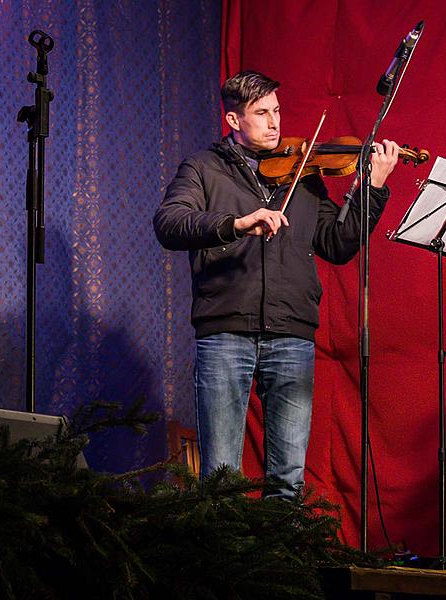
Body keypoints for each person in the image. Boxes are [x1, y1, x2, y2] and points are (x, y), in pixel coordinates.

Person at [153, 71, 400, 499]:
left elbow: (337, 244)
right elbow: (169, 223)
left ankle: (281, 566)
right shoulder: (204, 168)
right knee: (222, 477)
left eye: (277, 111)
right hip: (225, 331)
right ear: (233, 120)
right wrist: (236, 224)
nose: (275, 123)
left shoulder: (303, 173)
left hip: (292, 332)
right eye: (262, 113)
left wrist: (372, 189)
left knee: (288, 479)